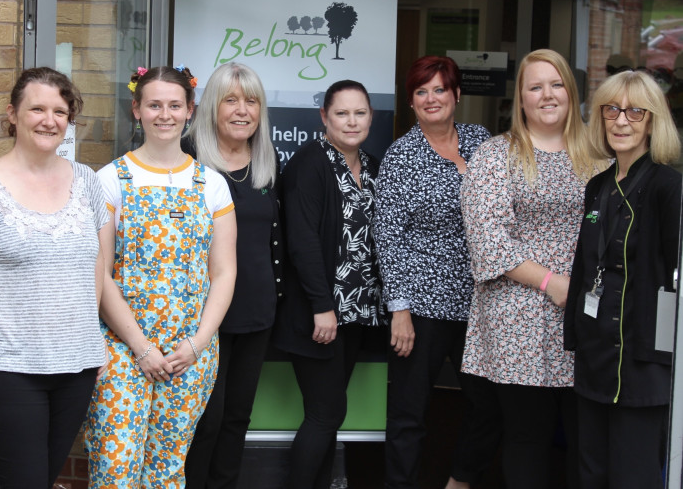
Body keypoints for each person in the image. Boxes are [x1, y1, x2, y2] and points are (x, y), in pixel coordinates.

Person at [0, 67, 108, 487]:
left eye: (60, 111)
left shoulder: (87, 181)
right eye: (36, 109)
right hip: (5, 368)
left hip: (76, 367)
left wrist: (93, 342)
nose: (49, 120)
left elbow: (97, 269)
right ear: (13, 113)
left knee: (44, 478)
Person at [84, 66, 237, 488]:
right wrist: (140, 346)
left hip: (190, 352)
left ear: (190, 110)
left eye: (174, 105)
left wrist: (197, 343)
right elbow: (100, 272)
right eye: (154, 105)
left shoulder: (212, 186)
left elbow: (223, 273)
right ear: (137, 110)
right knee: (116, 468)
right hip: (122, 349)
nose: (164, 114)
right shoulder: (110, 180)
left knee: (168, 469)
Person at [460, 49, 602, 489]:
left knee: (587, 440)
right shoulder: (496, 155)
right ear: (520, 98)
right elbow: (487, 239)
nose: (547, 95)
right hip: (517, 318)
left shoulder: (599, 155)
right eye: (535, 86)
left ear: (571, 93)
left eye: (556, 84)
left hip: (587, 317)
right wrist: (552, 282)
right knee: (527, 438)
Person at [374, 55, 501, 489]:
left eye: (439, 89)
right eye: (421, 91)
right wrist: (400, 310)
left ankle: (460, 480)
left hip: (482, 305)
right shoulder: (400, 156)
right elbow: (388, 238)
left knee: (490, 404)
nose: (431, 98)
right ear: (411, 102)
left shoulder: (482, 142)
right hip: (423, 309)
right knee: (409, 415)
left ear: (457, 95)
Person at [565, 70, 682, 489]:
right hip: (595, 356)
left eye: (635, 111)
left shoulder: (669, 187)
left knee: (633, 476)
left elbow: (677, 277)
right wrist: (574, 336)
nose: (621, 120)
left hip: (644, 360)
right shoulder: (598, 185)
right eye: (612, 109)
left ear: (652, 121)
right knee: (590, 473)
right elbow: (583, 267)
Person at [273, 80, 386, 489]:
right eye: (342, 113)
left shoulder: (371, 166)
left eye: (360, 113)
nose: (352, 121)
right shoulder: (309, 165)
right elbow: (301, 242)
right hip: (319, 315)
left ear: (370, 116)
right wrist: (322, 306)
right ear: (324, 117)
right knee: (324, 414)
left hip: (355, 313)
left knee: (330, 415)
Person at [182, 62, 282, 489]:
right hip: (204, 317)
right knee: (205, 419)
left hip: (257, 312)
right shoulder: (187, 158)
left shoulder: (265, 160)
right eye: (231, 100)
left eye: (251, 101)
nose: (242, 110)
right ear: (211, 107)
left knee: (238, 416)